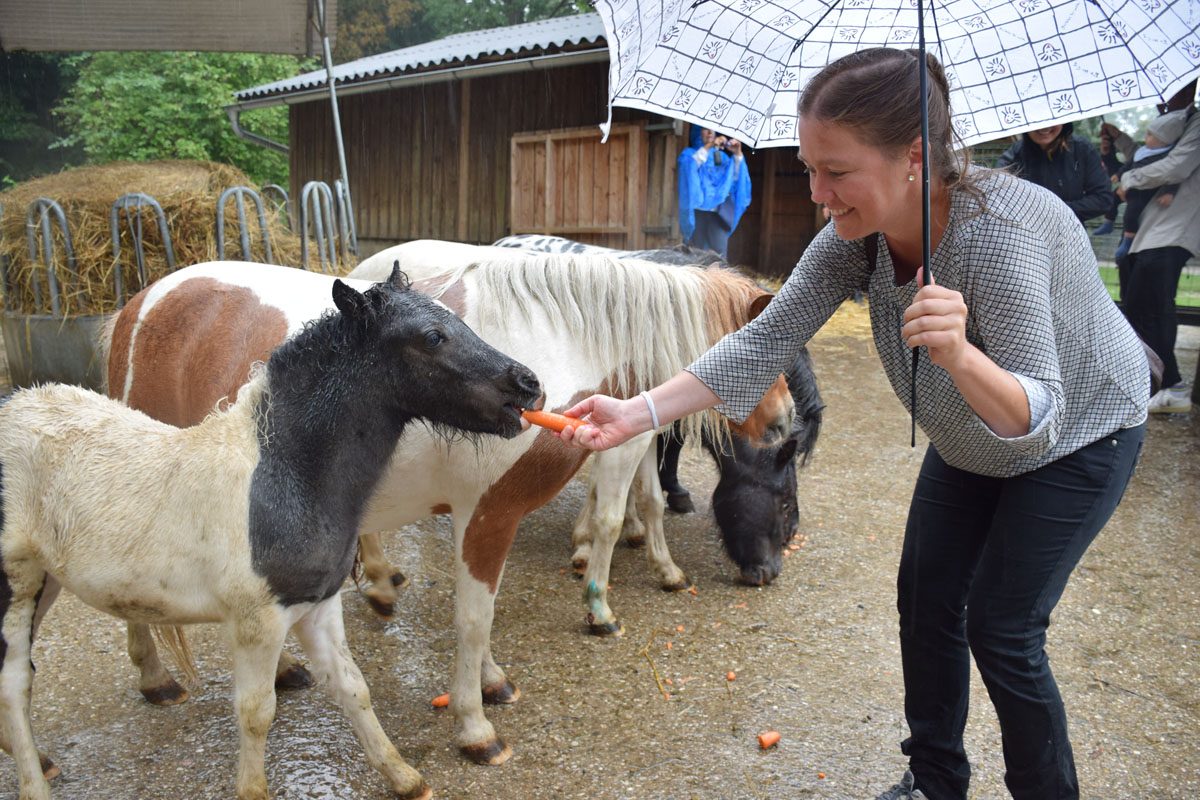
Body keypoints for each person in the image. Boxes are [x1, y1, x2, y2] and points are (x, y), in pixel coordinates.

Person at [556, 47, 1148, 800]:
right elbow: (764, 339)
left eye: (835, 171)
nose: (817, 193)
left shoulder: (1001, 234)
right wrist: (635, 413)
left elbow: (1038, 416)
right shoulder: (854, 236)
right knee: (926, 598)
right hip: (968, 438)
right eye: (809, 168)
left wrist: (961, 356)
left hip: (1079, 432)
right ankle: (935, 780)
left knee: (1002, 628)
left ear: (912, 157)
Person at [1113, 100, 1199, 414]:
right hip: (1151, 234)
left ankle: (1171, 385)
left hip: (1170, 233)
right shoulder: (1179, 120)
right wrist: (1121, 141)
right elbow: (1153, 155)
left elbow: (1176, 165)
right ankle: (1160, 382)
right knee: (1140, 308)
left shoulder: (1197, 122)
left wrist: (1129, 179)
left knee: (1151, 309)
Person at [996, 122, 1112, 226]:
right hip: (1027, 238)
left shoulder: (1082, 149)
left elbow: (1103, 199)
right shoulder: (1014, 156)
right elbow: (999, 197)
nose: (1044, 126)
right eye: (1037, 119)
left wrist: (1054, 211)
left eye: (1050, 119)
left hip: (1071, 236)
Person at [1111, 113, 1185, 262]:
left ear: (1164, 140)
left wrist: (1169, 192)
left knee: (1130, 215)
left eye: (1150, 135)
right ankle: (1108, 220)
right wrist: (1119, 175)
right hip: (1130, 189)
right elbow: (1128, 165)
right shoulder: (1142, 151)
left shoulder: (1168, 156)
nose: (1146, 137)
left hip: (1144, 196)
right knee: (1111, 198)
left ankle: (1127, 241)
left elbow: (1173, 175)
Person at [677, 124, 752, 258]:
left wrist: (737, 154)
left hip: (718, 214)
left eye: (712, 129)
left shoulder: (722, 157)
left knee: (719, 256)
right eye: (705, 129)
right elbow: (690, 169)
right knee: (695, 255)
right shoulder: (688, 155)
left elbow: (734, 179)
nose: (710, 132)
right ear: (697, 132)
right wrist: (709, 146)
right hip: (696, 214)